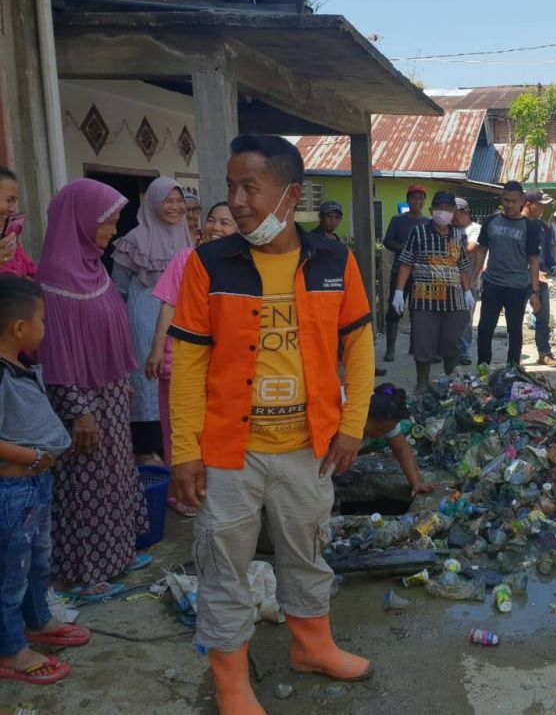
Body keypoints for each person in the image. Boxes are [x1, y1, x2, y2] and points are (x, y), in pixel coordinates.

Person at [169, 134, 375, 714]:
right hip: (228, 454)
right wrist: (184, 449)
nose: (235, 201)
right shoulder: (208, 264)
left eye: (249, 188)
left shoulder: (335, 260)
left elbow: (359, 350)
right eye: (231, 186)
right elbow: (187, 362)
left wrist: (352, 426)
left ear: (289, 195)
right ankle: (232, 681)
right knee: (223, 563)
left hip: (308, 448)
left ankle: (312, 646)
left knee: (308, 551)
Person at [37, 179, 148, 601]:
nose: (113, 231)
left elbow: (106, 332)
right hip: (82, 402)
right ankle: (86, 572)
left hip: (111, 394)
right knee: (86, 486)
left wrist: (121, 381)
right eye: (108, 222)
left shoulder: (93, 267)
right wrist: (78, 411)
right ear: (81, 221)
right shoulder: (55, 279)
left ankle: (117, 554)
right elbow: (55, 357)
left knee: (118, 476)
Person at [0, 275, 86, 686]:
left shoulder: (19, 364)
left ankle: (36, 622)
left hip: (35, 487)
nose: (45, 327)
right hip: (13, 489)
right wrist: (33, 456)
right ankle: (10, 650)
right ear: (20, 327)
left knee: (37, 561)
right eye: (43, 320)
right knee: (9, 573)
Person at [145, 202, 238, 517]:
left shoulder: (239, 265)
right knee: (179, 429)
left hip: (220, 364)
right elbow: (169, 305)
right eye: (212, 220)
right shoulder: (187, 258)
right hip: (180, 359)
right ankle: (180, 493)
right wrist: (158, 349)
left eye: (225, 222)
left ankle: (208, 487)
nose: (215, 227)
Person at [111, 177, 192, 461]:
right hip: (144, 322)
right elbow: (118, 289)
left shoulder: (187, 239)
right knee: (147, 381)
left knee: (176, 381)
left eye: (179, 201)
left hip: (179, 323)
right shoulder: (134, 240)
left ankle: (172, 447)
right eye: (168, 201)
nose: (175, 207)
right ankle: (147, 446)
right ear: (154, 203)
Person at [392, 191, 474, 391]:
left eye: (448, 209)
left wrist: (467, 291)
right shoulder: (418, 232)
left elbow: (462, 265)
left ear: (453, 212)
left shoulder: (457, 235)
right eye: (439, 208)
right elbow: (406, 263)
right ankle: (422, 384)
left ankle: (451, 386)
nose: (443, 213)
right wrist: (399, 291)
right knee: (423, 343)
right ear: (431, 210)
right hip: (424, 300)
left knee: (451, 343)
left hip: (453, 300)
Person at [473, 181, 542, 368]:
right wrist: (474, 278)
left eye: (513, 201)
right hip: (492, 284)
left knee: (514, 330)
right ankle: (483, 367)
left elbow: (533, 260)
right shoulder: (491, 221)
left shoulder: (530, 227)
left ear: (522, 201)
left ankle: (513, 368)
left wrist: (535, 292)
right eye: (506, 200)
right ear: (501, 198)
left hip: (517, 287)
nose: (509, 204)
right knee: (485, 328)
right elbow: (481, 250)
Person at [349, 383, 434, 496]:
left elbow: (401, 449)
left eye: (385, 432)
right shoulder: (348, 417)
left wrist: (416, 482)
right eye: (378, 430)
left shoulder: (386, 421)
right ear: (365, 415)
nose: (380, 435)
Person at [382, 184, 428, 362]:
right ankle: (390, 349)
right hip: (399, 270)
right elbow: (387, 241)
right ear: (408, 200)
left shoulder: (428, 223)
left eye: (420, 198)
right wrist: (405, 249)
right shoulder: (397, 220)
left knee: (419, 310)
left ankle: (414, 346)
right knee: (394, 309)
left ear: (424, 201)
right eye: (414, 198)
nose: (417, 201)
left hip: (421, 274)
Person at [524, 188, 556, 367]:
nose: (543, 208)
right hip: (518, 279)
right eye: (540, 204)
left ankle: (544, 352)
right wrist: (530, 270)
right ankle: (513, 357)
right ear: (528, 204)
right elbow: (513, 254)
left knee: (543, 317)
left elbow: (547, 255)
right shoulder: (517, 224)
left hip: (540, 281)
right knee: (514, 317)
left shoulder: (544, 227)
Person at [453, 197, 480, 366]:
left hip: (470, 281)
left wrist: (447, 253)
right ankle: (447, 349)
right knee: (448, 317)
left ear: (465, 212)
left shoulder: (476, 229)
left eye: (455, 212)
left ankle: (463, 350)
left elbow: (472, 248)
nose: (452, 216)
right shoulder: (448, 229)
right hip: (448, 281)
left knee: (465, 318)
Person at [0, 167, 38, 280]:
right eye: (9, 200)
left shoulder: (11, 242)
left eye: (15, 201)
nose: (13, 209)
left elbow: (32, 271)